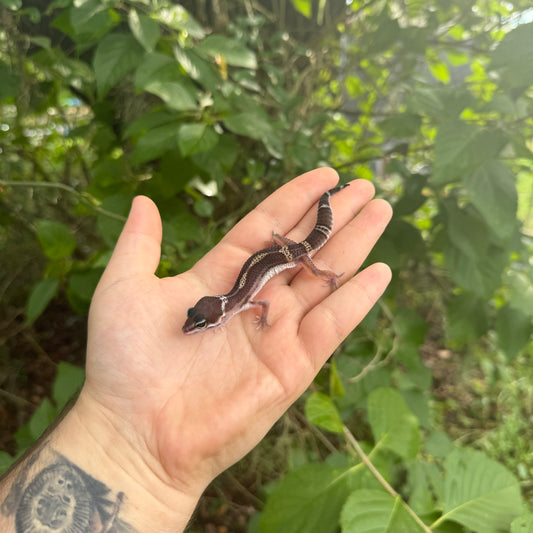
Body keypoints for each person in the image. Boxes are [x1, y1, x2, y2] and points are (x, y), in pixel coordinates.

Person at [0, 168, 392, 533]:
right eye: (196, 320)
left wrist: (313, 274)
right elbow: (256, 301)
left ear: (218, 314)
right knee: (300, 248)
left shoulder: (239, 302)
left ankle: (329, 209)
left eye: (199, 323)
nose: (193, 327)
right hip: (280, 252)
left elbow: (264, 304)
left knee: (312, 265)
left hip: (294, 253)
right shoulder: (232, 301)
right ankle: (329, 196)